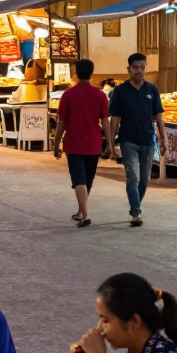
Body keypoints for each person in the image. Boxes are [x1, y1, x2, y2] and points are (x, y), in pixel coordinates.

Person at [53, 58, 115, 228]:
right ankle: (81, 211)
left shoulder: (68, 95)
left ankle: (85, 214)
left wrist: (56, 143)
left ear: (75, 73)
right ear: (92, 74)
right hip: (93, 143)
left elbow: (61, 122)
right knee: (88, 179)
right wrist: (109, 143)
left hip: (73, 143)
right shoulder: (100, 95)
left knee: (79, 179)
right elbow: (105, 121)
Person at [109, 53, 166, 228]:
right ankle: (136, 213)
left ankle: (136, 205)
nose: (139, 71)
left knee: (145, 180)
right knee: (132, 177)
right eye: (135, 68)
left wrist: (163, 138)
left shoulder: (152, 90)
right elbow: (115, 118)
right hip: (128, 140)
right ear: (129, 69)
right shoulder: (119, 91)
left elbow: (158, 116)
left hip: (148, 140)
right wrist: (111, 142)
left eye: (142, 67)